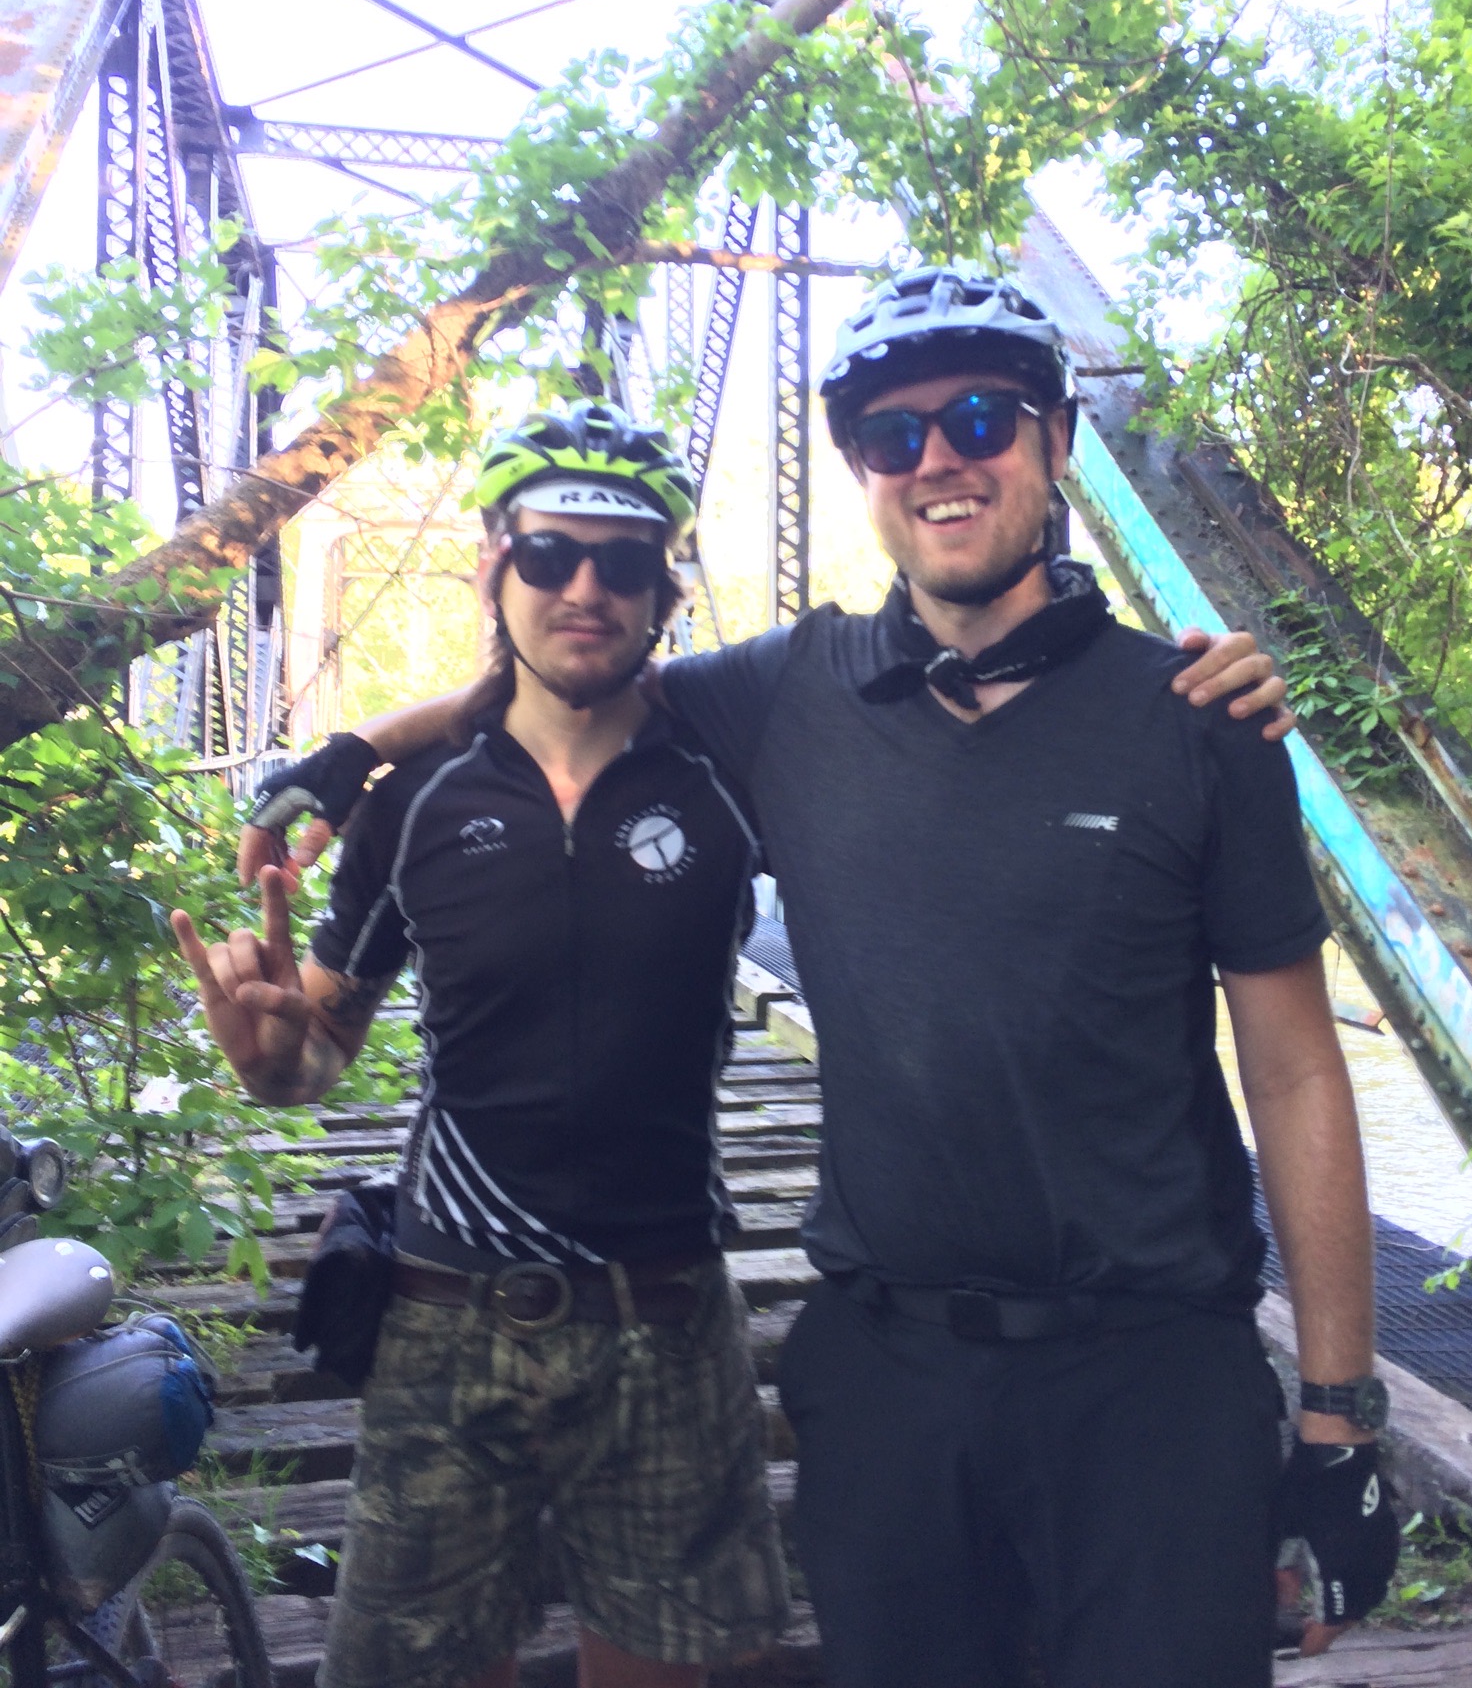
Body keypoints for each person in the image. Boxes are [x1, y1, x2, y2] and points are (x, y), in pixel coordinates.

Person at [228, 290, 1326, 1687]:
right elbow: (560, 699)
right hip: (678, 1337)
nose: (939, 459)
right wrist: (349, 759)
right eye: (892, 435)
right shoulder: (679, 723)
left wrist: (1337, 1411)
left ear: (1055, 440)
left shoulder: (1160, 721)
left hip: (1024, 1351)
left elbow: (1293, 1069)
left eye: (979, 420)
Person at [171, 404, 792, 1688]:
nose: (585, 588)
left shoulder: (734, 780)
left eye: (624, 561)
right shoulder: (413, 808)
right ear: (491, 568)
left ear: (667, 589)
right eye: (548, 553)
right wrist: (272, 1059)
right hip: (447, 1320)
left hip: (665, 1316)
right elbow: (321, 1049)